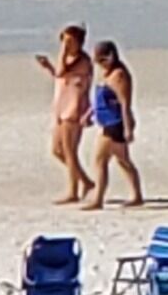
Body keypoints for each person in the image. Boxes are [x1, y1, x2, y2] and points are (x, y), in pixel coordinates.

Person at [31, 24, 95, 205]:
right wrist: (49, 67)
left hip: (73, 108)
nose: (66, 45)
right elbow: (61, 77)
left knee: (69, 151)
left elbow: (62, 71)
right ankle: (85, 181)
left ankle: (73, 190)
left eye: (69, 41)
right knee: (57, 150)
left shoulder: (82, 60)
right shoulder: (68, 60)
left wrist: (62, 52)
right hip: (61, 105)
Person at [86, 39, 144, 208]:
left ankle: (97, 199)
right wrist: (88, 113)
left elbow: (125, 103)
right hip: (106, 121)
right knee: (123, 161)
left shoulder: (119, 75)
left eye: (101, 60)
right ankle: (137, 195)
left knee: (99, 160)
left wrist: (128, 128)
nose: (99, 64)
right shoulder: (107, 74)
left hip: (115, 123)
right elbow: (100, 100)